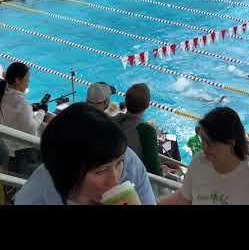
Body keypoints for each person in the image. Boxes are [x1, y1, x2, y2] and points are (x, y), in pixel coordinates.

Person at [14, 103, 156, 205]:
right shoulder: (36, 196)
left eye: (118, 164)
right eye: (100, 171)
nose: (115, 182)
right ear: (66, 175)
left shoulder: (130, 164)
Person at [158, 107, 249, 205]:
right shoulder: (199, 162)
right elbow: (184, 196)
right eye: (203, 139)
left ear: (231, 142)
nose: (205, 147)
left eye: (211, 143)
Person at [0, 62, 55, 177]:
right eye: (27, 78)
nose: (28, 82)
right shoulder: (22, 103)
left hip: (6, 146)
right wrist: (41, 111)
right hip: (21, 153)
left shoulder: (3, 94)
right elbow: (31, 129)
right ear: (17, 80)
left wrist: (31, 108)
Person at [113, 83, 162, 176]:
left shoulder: (114, 121)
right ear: (147, 105)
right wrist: (162, 171)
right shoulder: (146, 131)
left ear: (126, 102)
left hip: (115, 172)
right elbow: (153, 168)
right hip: (132, 179)